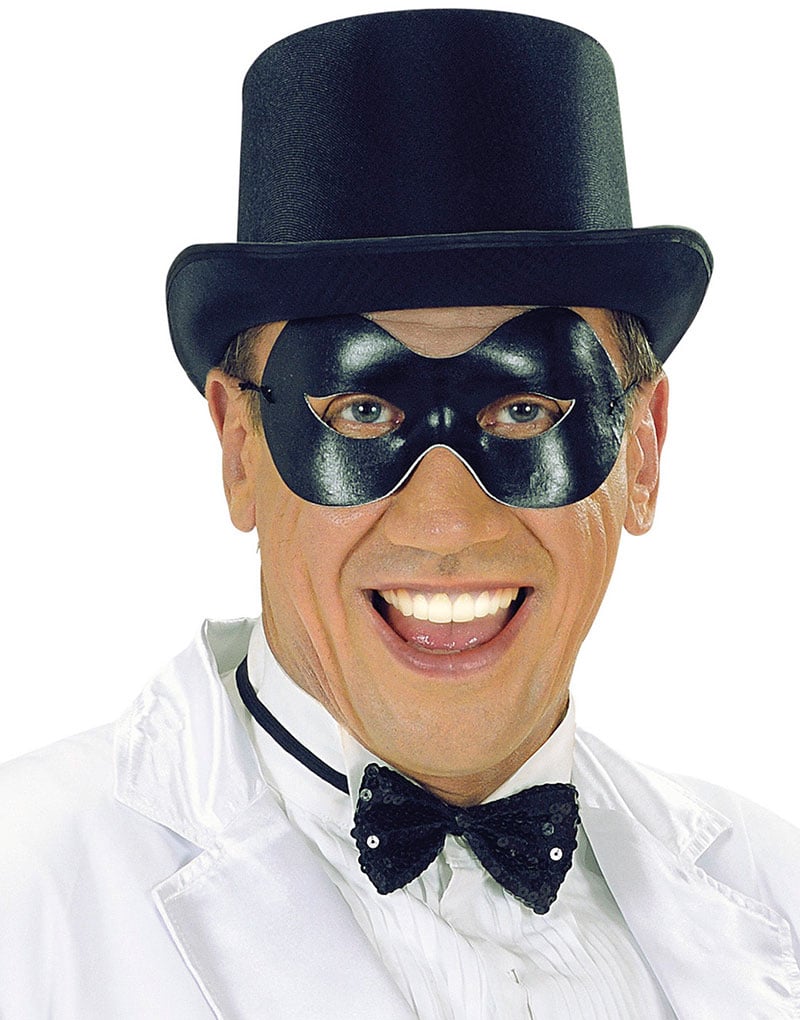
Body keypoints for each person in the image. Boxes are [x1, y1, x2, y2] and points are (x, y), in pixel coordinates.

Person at [1, 10, 798, 1018]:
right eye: (362, 411)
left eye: (524, 410)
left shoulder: (778, 896)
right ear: (240, 451)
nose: (445, 526)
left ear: (640, 453)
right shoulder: (27, 904)